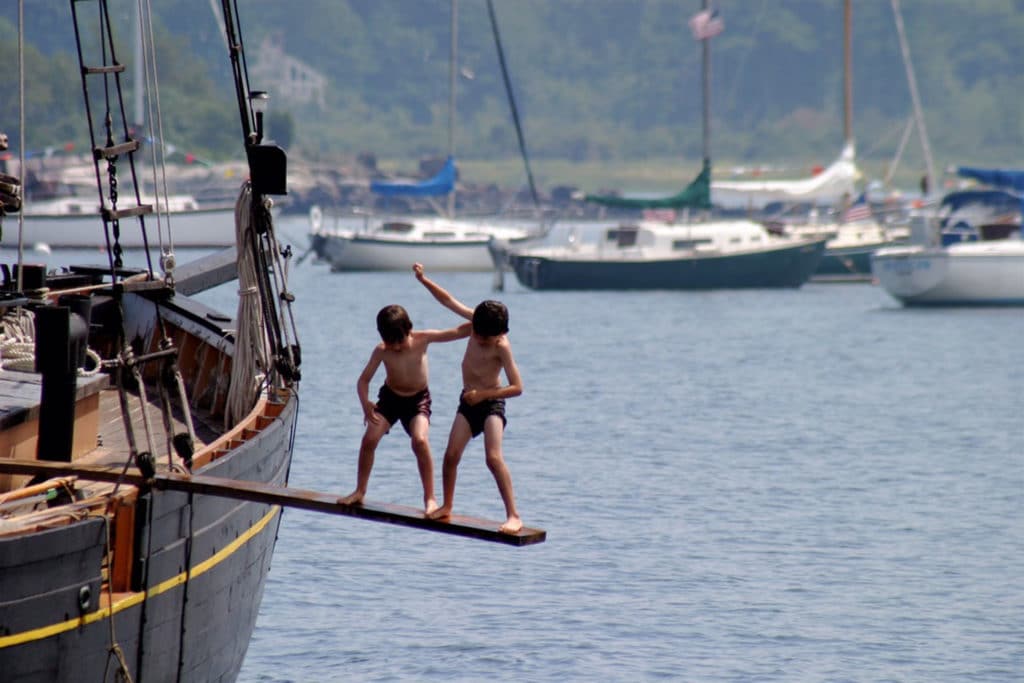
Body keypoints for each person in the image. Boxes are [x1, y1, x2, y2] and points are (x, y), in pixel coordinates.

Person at [413, 263, 524, 533]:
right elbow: (447, 300)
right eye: (477, 335)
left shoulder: (502, 347)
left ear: (500, 334)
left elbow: (517, 387)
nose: (480, 340)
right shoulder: (475, 322)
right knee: (451, 455)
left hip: (491, 404)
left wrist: (483, 395)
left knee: (493, 458)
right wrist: (424, 280)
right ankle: (446, 505)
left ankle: (513, 515)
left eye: (486, 339)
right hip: (468, 403)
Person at [338, 302, 470, 514]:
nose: (397, 347)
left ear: (409, 329)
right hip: (390, 399)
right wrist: (365, 404)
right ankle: (360, 490)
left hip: (418, 400)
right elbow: (363, 380)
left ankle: (430, 498)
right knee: (369, 439)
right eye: (391, 343)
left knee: (420, 441)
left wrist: (480, 320)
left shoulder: (423, 339)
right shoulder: (381, 351)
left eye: (399, 341)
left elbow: (458, 332)